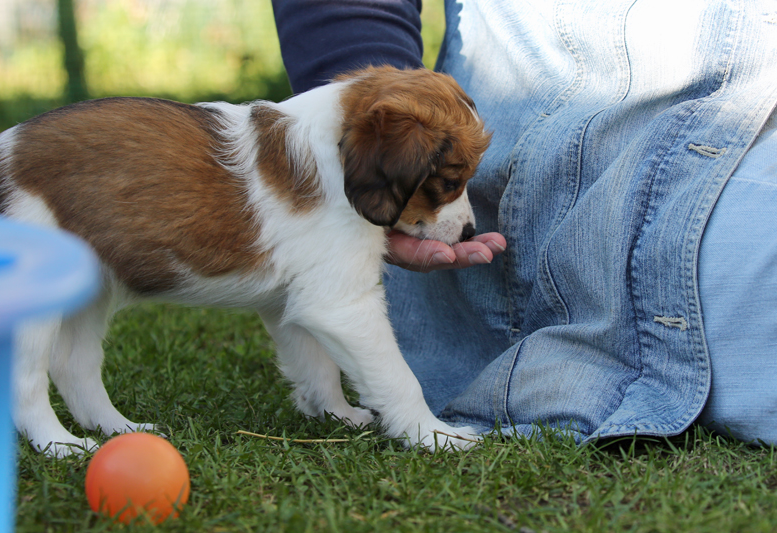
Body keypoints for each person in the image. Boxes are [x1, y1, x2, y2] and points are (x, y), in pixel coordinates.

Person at [271, 0, 777, 445]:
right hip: (537, 175)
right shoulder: (389, 153)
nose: (459, 214)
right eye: (448, 184)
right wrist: (368, 145)